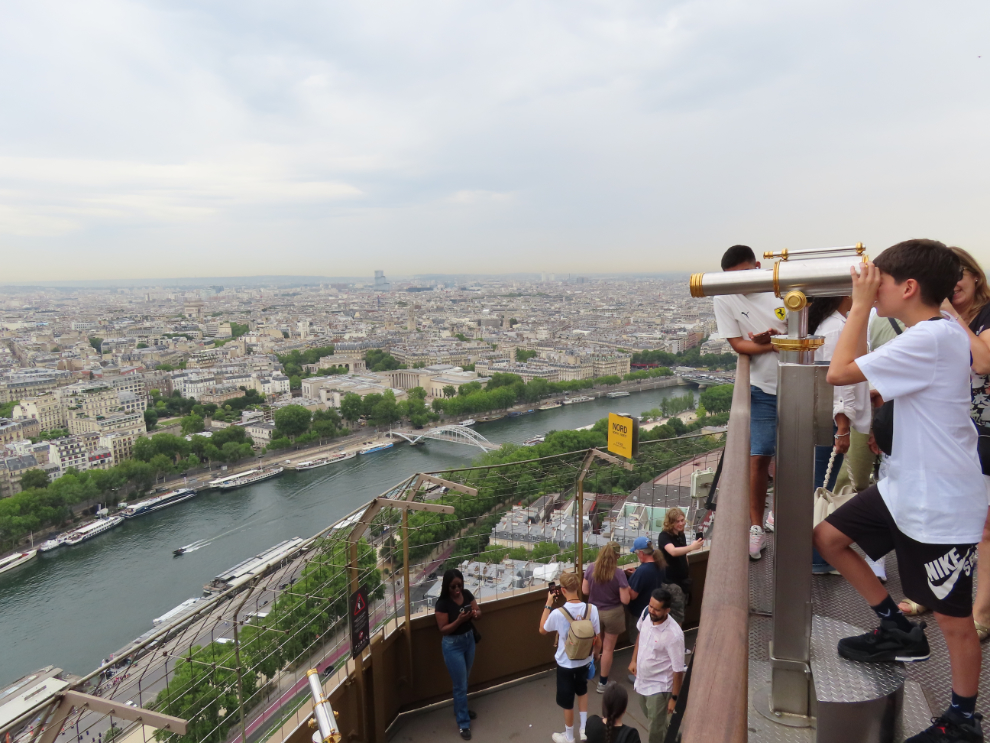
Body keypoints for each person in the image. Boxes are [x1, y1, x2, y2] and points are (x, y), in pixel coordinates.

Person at [815, 240, 985, 743]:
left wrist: (860, 303)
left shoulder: (929, 337)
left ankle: (962, 720)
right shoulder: (933, 333)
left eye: (880, 281)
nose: (872, 288)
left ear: (908, 287)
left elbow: (838, 372)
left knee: (955, 620)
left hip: (939, 500)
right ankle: (896, 627)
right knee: (828, 537)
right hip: (904, 486)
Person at [712, 245, 787, 559]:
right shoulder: (724, 296)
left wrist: (768, 342)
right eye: (732, 280)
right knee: (759, 458)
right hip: (761, 386)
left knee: (792, 458)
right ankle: (756, 525)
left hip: (795, 383)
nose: (739, 285)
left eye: (744, 275)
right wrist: (770, 344)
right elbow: (737, 344)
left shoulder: (783, 287)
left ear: (758, 266)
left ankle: (778, 514)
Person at [942, 246, 990, 642]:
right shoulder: (937, 319)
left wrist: (954, 318)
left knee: (985, 526)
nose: (955, 281)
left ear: (976, 276)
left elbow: (984, 363)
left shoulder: (987, 314)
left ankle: (982, 611)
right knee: (952, 517)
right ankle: (943, 592)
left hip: (986, 432)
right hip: (952, 432)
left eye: (960, 273)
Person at [807, 296, 872, 575]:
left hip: (824, 417)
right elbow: (839, 384)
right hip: (832, 421)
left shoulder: (827, 325)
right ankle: (818, 558)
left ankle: (815, 555)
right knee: (823, 491)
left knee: (819, 487)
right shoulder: (836, 328)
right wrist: (843, 428)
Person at [540, 570, 602, 743]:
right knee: (582, 691)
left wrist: (548, 603)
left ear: (563, 590)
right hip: (585, 660)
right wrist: (595, 655)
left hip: (566, 663)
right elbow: (598, 638)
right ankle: (583, 730)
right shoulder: (592, 609)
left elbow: (542, 629)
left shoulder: (558, 613)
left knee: (567, 700)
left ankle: (569, 737)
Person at [628, 588, 685, 743]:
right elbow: (641, 634)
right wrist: (634, 660)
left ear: (667, 610)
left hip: (660, 686)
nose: (651, 610)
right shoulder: (647, 613)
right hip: (642, 680)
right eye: (650, 606)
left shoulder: (674, 635)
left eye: (656, 609)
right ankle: (672, 735)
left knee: (654, 729)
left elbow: (678, 670)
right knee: (651, 716)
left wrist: (674, 698)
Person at [435, 569, 481, 740]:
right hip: (452, 645)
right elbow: (443, 630)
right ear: (447, 587)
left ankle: (459, 708)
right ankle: (463, 723)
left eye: (459, 585)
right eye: (453, 586)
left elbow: (479, 612)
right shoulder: (442, 603)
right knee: (460, 684)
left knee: (464, 680)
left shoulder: (467, 594)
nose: (457, 589)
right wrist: (459, 620)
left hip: (469, 641)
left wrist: (475, 614)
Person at [582, 543, 630, 692]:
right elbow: (625, 600)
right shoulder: (618, 573)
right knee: (608, 649)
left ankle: (589, 669)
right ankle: (603, 683)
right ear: (616, 556)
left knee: (593, 642)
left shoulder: (591, 568)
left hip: (593, 612)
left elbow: (585, 590)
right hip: (612, 613)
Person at [624, 537, 667, 644]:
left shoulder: (642, 571)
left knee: (638, 643)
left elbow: (633, 595)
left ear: (641, 553)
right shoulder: (659, 564)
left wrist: (623, 582)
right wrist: (636, 575)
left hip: (640, 613)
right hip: (654, 609)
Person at [656, 507, 702, 605]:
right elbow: (673, 551)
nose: (681, 523)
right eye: (677, 521)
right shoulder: (664, 536)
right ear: (670, 522)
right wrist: (692, 547)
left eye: (682, 520)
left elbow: (683, 554)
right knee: (676, 613)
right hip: (670, 582)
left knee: (683, 608)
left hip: (683, 581)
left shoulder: (681, 535)